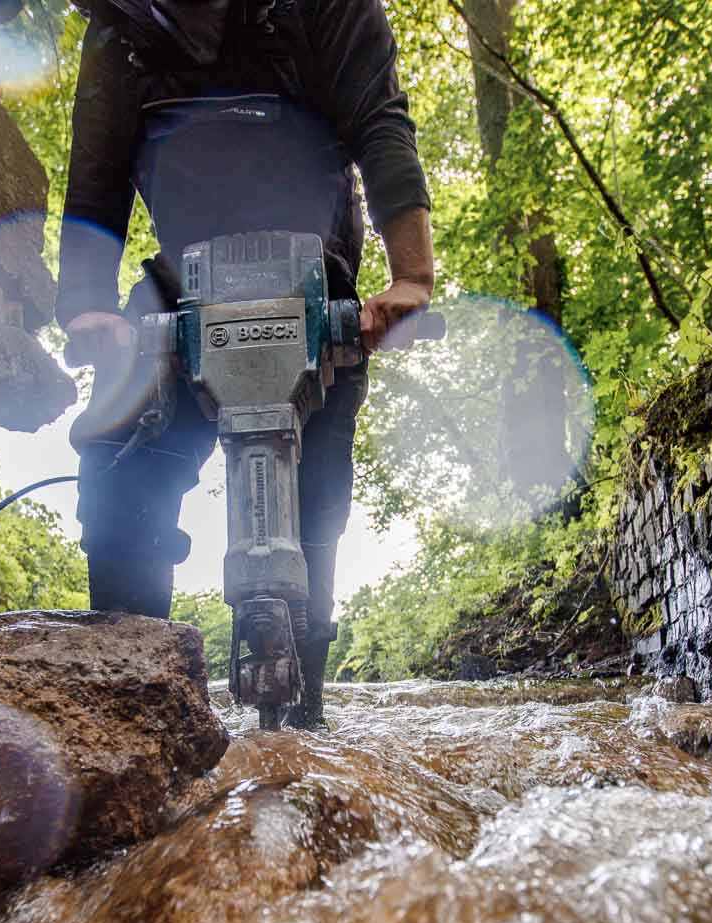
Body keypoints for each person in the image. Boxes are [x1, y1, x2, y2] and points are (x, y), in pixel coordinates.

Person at [56, 0, 434, 727]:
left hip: (317, 292)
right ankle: (135, 711)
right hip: (175, 293)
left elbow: (380, 122)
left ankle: (304, 729)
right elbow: (95, 174)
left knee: (317, 507)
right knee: (117, 468)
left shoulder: (332, 8)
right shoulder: (124, 28)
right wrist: (85, 304)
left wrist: (410, 276)